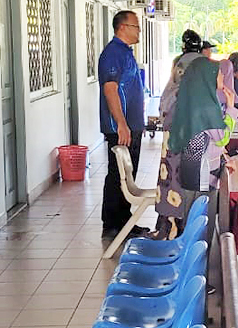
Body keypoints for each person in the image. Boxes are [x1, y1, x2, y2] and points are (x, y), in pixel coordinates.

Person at [151, 58, 237, 241]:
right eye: (219, 73)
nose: (222, 75)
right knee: (201, 219)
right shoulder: (206, 106)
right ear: (208, 77)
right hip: (203, 172)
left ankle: (191, 256)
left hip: (191, 168)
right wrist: (231, 109)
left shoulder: (189, 100)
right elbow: (222, 138)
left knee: (192, 216)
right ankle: (197, 260)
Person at [98, 10, 147, 239]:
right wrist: (122, 124)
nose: (139, 30)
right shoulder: (113, 53)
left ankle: (122, 220)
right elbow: (110, 90)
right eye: (136, 26)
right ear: (123, 28)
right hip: (121, 128)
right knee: (119, 175)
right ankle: (114, 224)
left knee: (127, 174)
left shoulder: (125, 52)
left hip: (130, 126)